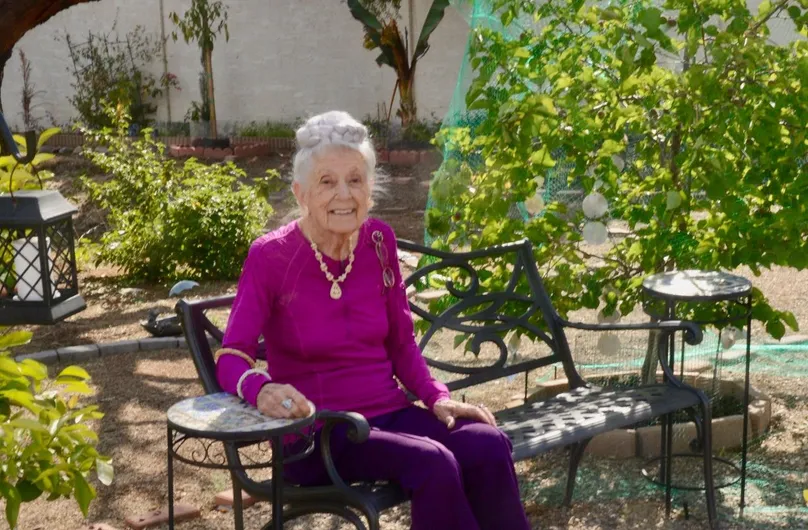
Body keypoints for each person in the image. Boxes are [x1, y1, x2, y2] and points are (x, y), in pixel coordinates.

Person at [214, 110, 531, 530]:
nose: (344, 194)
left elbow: (401, 343)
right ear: (301, 193)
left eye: (355, 179)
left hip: (388, 416)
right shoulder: (271, 256)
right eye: (327, 181)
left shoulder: (379, 241)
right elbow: (231, 356)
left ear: (369, 189)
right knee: (433, 461)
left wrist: (436, 396)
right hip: (318, 434)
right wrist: (261, 387)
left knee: (486, 444)